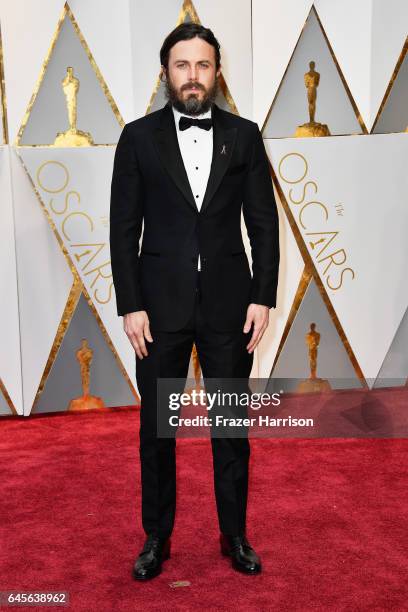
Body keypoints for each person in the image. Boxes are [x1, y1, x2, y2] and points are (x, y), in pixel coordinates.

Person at [109, 22, 280, 581]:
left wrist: (263, 296)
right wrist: (131, 304)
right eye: (182, 65)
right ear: (166, 73)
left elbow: (263, 225)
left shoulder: (245, 135)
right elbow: (122, 229)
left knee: (230, 428)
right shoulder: (137, 138)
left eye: (202, 65)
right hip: (158, 311)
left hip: (231, 308)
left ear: (217, 72)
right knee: (157, 428)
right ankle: (156, 537)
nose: (193, 76)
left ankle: (236, 535)